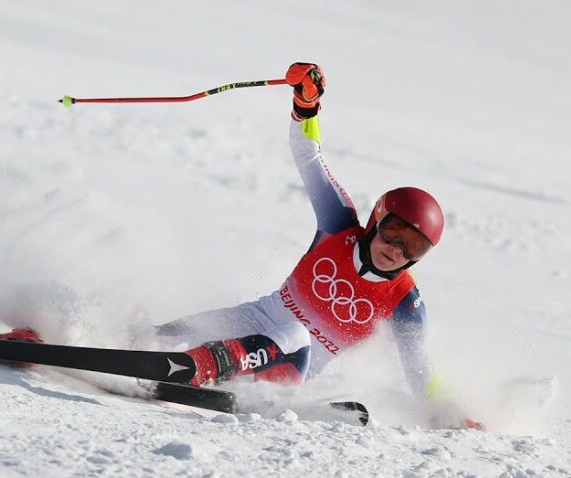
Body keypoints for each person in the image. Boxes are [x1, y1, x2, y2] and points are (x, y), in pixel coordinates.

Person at [133, 62, 479, 429]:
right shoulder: (338, 226)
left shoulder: (405, 302)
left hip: (285, 371)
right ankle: (152, 354)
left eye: (413, 248)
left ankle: (195, 368)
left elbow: (422, 375)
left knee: (295, 335)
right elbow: (308, 156)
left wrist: (455, 415)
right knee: (153, 340)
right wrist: (306, 104)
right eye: (394, 233)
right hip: (252, 320)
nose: (397, 249)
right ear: (377, 219)